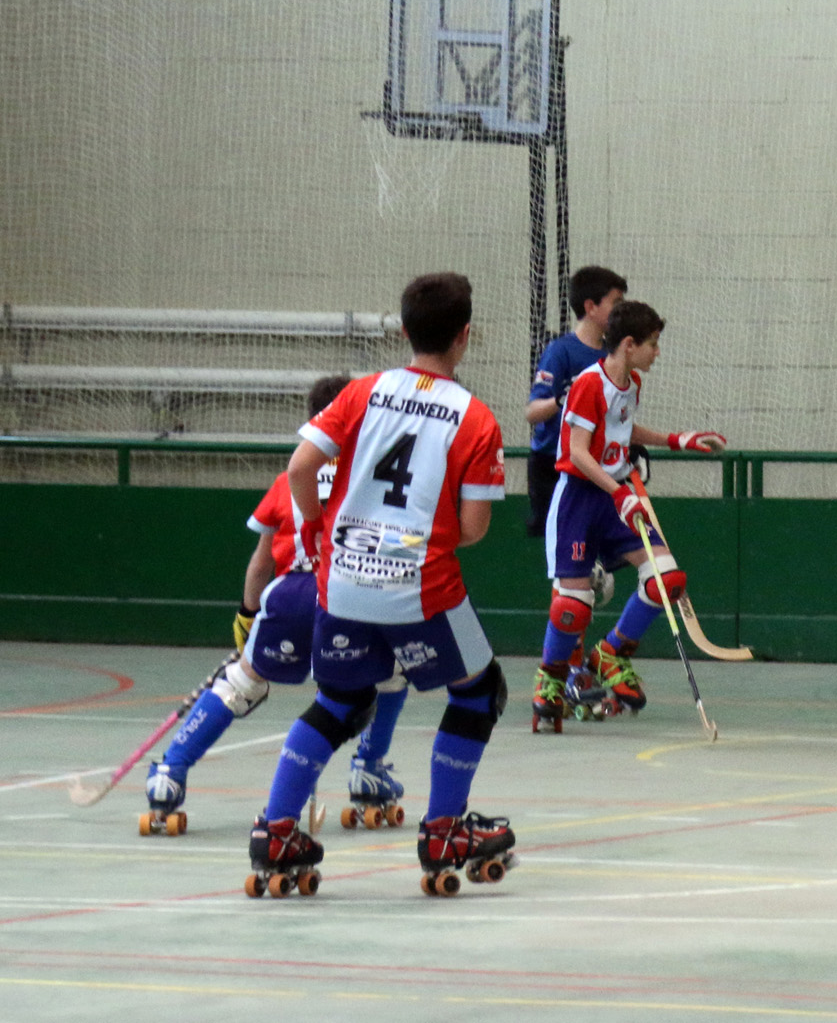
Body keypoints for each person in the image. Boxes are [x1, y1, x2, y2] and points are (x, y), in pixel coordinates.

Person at [245, 272, 513, 899]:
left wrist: (316, 528)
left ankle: (276, 829)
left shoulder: (363, 392)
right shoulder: (474, 419)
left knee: (341, 701)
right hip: (421, 586)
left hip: (341, 581)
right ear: (465, 336)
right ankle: (444, 832)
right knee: (479, 692)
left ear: (403, 330)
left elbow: (301, 468)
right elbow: (472, 529)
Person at [141, 375, 411, 834]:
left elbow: (261, 561)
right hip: (351, 596)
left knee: (241, 682)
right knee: (387, 678)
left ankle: (169, 773)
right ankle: (367, 765)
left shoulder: (290, 478)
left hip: (289, 596)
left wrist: (248, 615)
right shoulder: (370, 477)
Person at [532, 299, 724, 728]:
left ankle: (611, 653)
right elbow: (579, 453)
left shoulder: (631, 382)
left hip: (615, 496)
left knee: (666, 579)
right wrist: (620, 493)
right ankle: (551, 679)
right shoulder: (587, 384)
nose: (658, 353)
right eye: (653, 345)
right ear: (629, 343)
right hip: (581, 500)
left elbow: (621, 429)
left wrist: (677, 439)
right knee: (573, 606)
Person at [525, 266, 626, 539]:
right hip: (553, 466)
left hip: (595, 467)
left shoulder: (612, 357)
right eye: (616, 303)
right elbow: (532, 413)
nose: (621, 310)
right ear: (591, 307)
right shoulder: (560, 352)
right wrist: (562, 399)